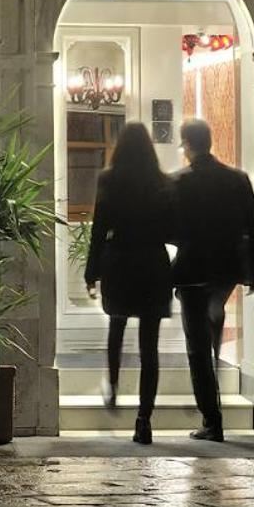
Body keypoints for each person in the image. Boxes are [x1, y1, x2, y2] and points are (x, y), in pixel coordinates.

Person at [83, 122, 175, 445]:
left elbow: (99, 229)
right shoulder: (162, 182)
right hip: (152, 263)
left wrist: (90, 273)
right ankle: (144, 419)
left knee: (116, 328)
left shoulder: (109, 180)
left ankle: (113, 384)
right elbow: (171, 229)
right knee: (150, 347)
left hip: (119, 260)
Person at [170, 118, 254, 442]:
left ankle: (212, 419)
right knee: (210, 333)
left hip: (192, 270)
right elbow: (250, 228)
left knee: (197, 348)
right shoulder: (237, 179)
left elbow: (170, 228)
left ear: (188, 146)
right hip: (225, 270)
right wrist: (251, 273)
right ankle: (216, 319)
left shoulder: (177, 181)